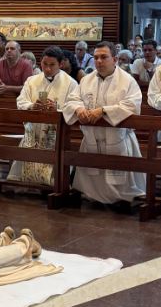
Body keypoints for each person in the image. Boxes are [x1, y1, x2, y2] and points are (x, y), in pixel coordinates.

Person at [62, 41, 145, 207]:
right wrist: (79, 110)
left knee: (121, 181)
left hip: (117, 138)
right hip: (92, 138)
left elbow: (132, 104)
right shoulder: (87, 80)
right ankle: (92, 196)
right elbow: (72, 99)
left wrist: (103, 111)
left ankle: (122, 200)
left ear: (114, 59)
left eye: (104, 57)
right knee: (91, 180)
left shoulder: (127, 81)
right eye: (96, 57)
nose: (99, 61)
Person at [8, 46, 78, 185]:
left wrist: (57, 108)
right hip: (33, 131)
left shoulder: (70, 83)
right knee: (25, 170)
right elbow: (21, 101)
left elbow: (74, 106)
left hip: (56, 135)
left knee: (52, 175)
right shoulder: (31, 81)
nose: (47, 69)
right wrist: (32, 106)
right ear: (40, 62)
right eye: (45, 64)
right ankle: (27, 185)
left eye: (52, 65)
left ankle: (53, 185)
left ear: (61, 64)